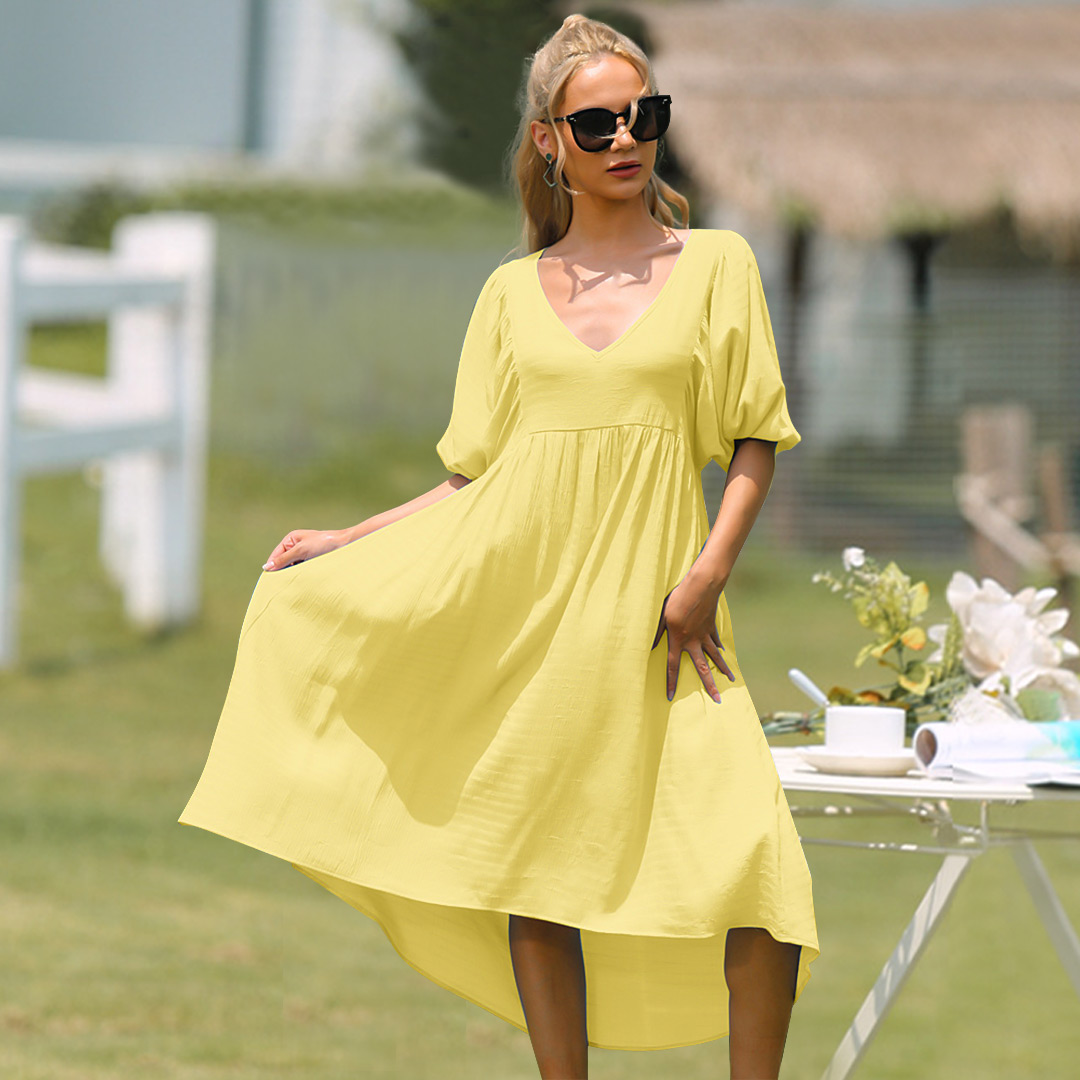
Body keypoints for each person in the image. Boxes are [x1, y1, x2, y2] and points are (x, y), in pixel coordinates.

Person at [179, 13, 819, 1080]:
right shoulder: (510, 295)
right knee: (541, 873)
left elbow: (757, 438)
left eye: (644, 115)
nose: (626, 138)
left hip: (671, 628)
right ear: (550, 142)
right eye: (597, 123)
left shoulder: (717, 264)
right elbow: (472, 479)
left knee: (758, 876)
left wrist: (707, 574)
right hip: (534, 621)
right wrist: (346, 540)